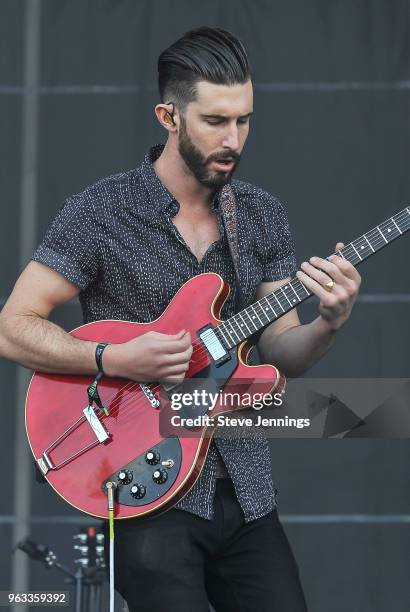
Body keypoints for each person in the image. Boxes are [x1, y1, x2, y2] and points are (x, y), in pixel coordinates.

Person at [0, 27, 361, 612]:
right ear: (168, 115)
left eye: (244, 120)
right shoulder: (100, 211)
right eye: (215, 121)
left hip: (245, 489)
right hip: (145, 489)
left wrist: (329, 322)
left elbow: (281, 350)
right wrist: (112, 357)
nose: (234, 139)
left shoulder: (262, 214)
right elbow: (12, 325)